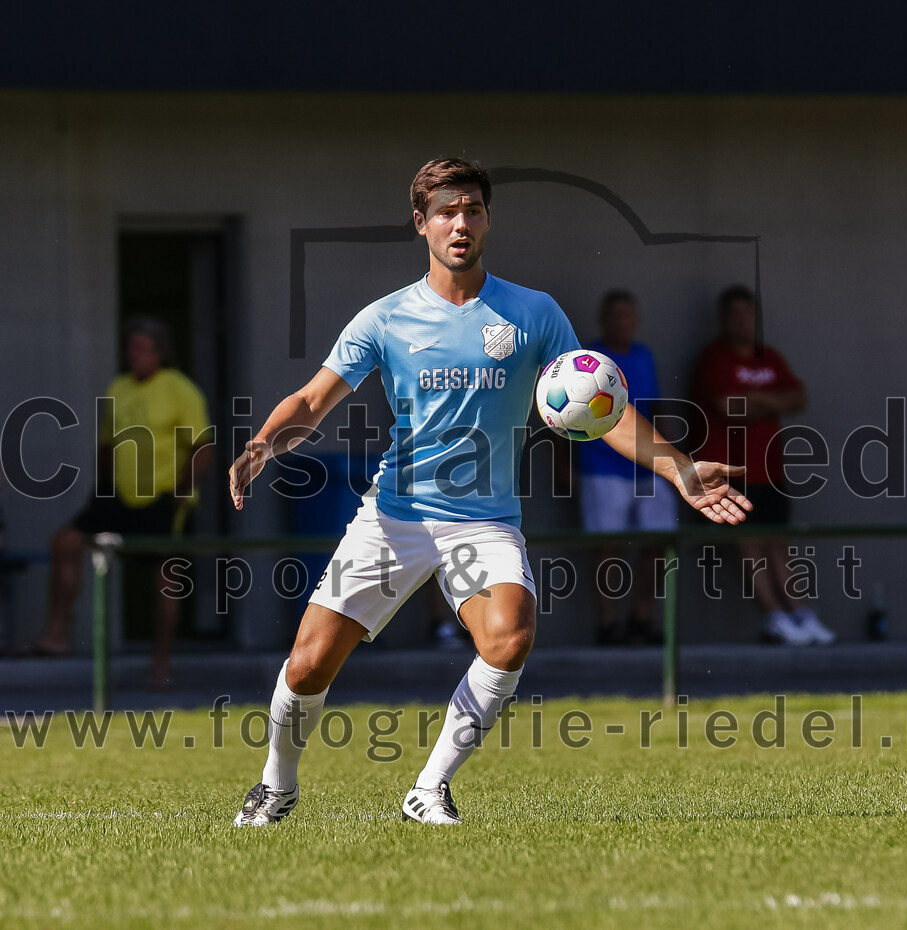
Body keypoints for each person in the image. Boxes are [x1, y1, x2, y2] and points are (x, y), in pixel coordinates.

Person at [228, 158, 752, 827]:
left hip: (484, 523)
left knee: (509, 637)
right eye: (446, 212)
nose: (461, 223)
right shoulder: (385, 318)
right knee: (307, 667)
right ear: (421, 224)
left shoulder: (534, 312)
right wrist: (262, 445)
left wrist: (678, 468)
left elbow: (603, 409)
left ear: (487, 221)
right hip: (396, 516)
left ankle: (429, 789)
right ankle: (276, 786)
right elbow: (312, 400)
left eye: (472, 210)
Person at [27, 318, 212, 688]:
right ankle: (57, 634)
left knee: (166, 578)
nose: (134, 354)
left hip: (162, 499)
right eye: (131, 347)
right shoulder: (119, 387)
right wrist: (103, 488)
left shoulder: (179, 389)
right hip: (118, 496)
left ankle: (160, 664)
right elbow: (107, 444)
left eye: (142, 348)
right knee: (65, 541)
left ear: (160, 353)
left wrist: (180, 493)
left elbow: (202, 447)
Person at [692, 286, 834, 646]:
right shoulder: (714, 358)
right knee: (750, 545)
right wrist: (772, 402)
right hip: (730, 471)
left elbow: (798, 398)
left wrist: (754, 399)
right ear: (723, 319)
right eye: (735, 314)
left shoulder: (770, 357)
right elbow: (726, 406)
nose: (743, 321)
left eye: (748, 313)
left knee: (779, 545)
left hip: (771, 470)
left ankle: (801, 614)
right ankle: (775, 617)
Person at [575, 289, 678, 645]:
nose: (622, 322)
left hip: (647, 467)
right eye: (615, 315)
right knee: (607, 547)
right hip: (602, 467)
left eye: (627, 315)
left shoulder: (643, 356)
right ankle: (608, 625)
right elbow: (564, 414)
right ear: (603, 320)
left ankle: (641, 618)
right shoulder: (588, 360)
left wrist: (673, 460)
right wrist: (563, 465)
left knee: (660, 542)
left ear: (636, 320)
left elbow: (655, 406)